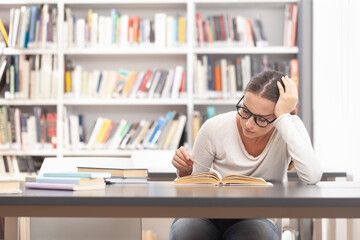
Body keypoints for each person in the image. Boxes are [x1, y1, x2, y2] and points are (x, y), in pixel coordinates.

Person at [169, 70, 322, 240]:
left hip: (257, 216)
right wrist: (184, 172)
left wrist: (285, 118)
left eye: (262, 119)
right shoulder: (214, 127)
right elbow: (194, 188)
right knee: (187, 233)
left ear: (278, 114)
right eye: (245, 110)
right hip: (205, 213)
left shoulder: (287, 127)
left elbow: (312, 176)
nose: (248, 124)